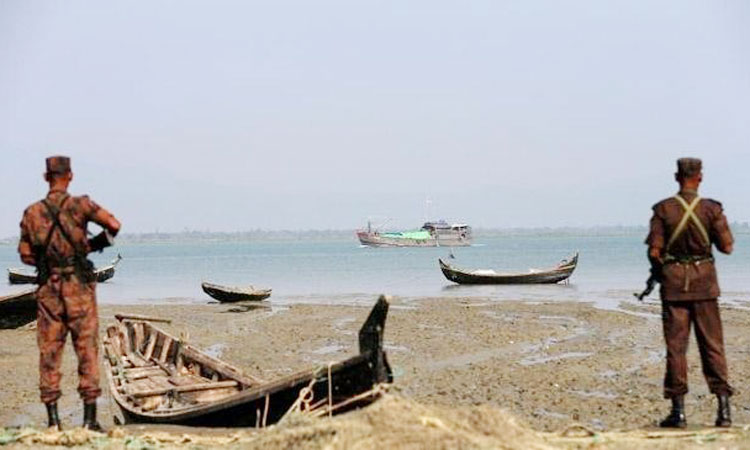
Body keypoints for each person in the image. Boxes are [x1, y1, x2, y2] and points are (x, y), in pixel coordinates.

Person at [18, 156, 121, 431]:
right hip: (80, 288)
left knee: (50, 352)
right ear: (70, 176)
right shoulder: (81, 205)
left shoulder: (32, 213)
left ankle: (53, 421)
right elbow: (114, 225)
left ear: (45, 177)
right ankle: (89, 420)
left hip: (49, 288)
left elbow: (25, 254)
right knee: (86, 349)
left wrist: (46, 260)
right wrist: (89, 246)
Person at [646, 157, 734, 428]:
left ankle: (678, 413)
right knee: (713, 346)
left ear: (677, 177)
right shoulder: (711, 209)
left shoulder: (664, 210)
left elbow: (654, 251)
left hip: (674, 288)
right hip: (705, 285)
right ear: (700, 178)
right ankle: (724, 411)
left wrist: (661, 271)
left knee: (676, 349)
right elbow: (727, 247)